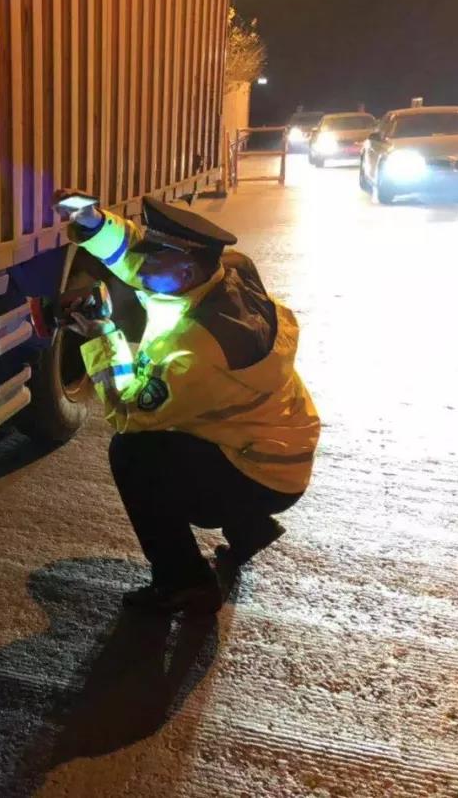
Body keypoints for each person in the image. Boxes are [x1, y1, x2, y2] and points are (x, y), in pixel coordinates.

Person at [54, 191, 321, 614]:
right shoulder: (227, 272)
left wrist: (102, 334)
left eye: (151, 259)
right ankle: (247, 527)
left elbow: (128, 414)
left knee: (135, 456)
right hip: (276, 446)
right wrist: (93, 224)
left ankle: (186, 582)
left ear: (183, 268)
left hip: (262, 469)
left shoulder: (196, 349)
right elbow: (136, 257)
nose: (137, 269)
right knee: (190, 437)